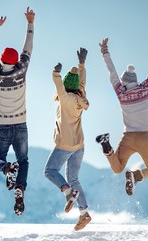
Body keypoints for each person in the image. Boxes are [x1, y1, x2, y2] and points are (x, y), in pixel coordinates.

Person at [96, 33, 148, 196]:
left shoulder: (121, 92)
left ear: (124, 82)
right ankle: (135, 176)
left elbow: (112, 73)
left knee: (117, 168)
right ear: (136, 80)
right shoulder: (145, 88)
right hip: (145, 137)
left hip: (128, 137)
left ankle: (106, 144)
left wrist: (105, 51)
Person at [0, 7, 35, 216]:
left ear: (2, 59)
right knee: (24, 162)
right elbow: (28, 47)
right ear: (15, 61)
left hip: (1, 125)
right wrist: (30, 23)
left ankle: (6, 169)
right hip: (21, 124)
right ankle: (20, 189)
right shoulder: (21, 70)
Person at [44, 48, 91, 231]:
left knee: (49, 171)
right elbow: (82, 83)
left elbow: (58, 86)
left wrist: (55, 73)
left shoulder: (64, 98)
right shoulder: (81, 97)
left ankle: (67, 192)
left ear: (65, 85)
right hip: (79, 145)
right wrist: (81, 65)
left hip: (64, 144)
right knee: (74, 179)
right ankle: (84, 214)